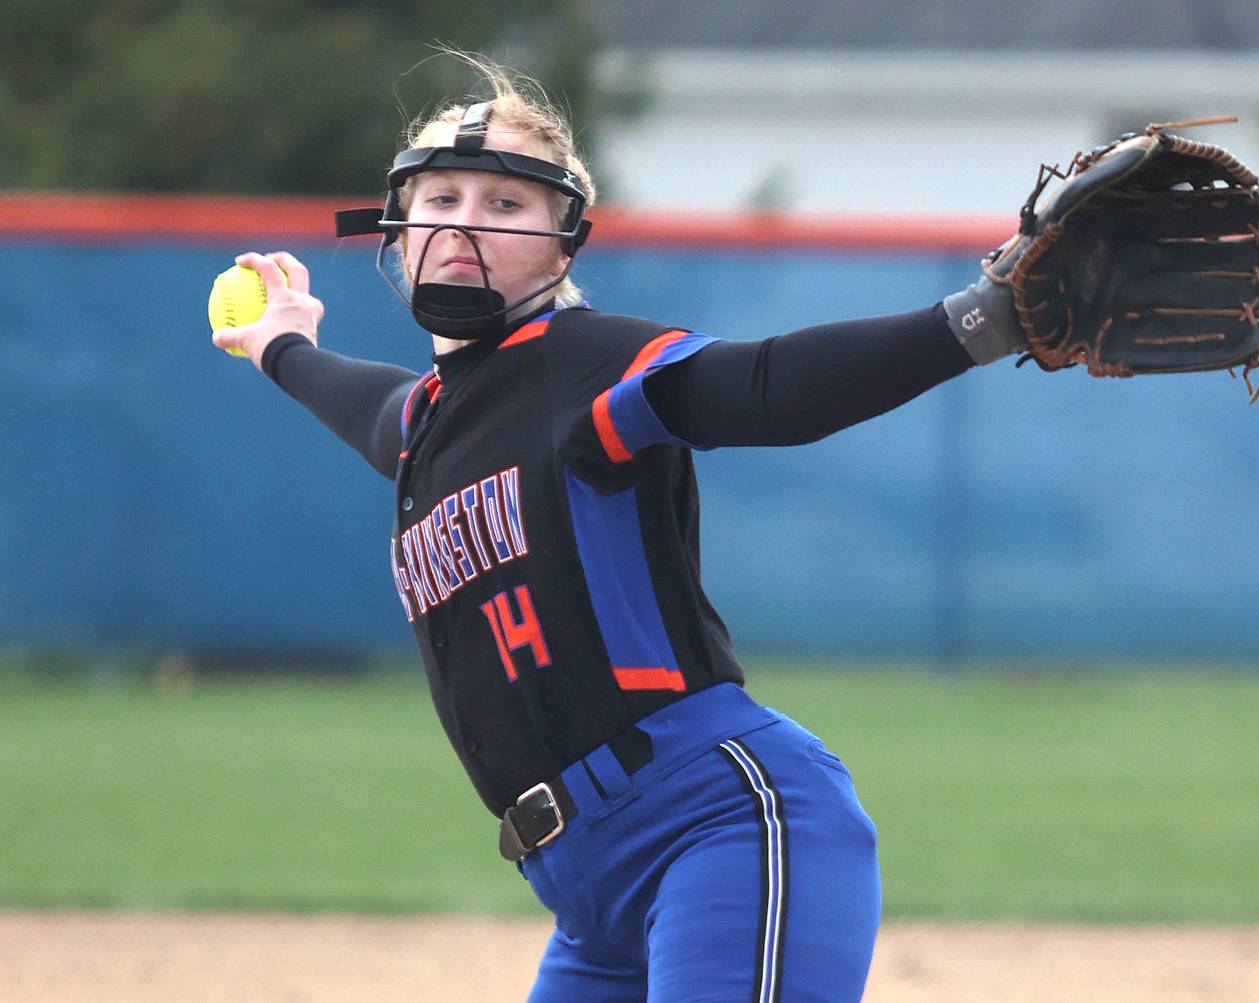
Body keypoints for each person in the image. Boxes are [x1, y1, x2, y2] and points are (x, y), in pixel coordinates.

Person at [213, 54, 1024, 1003]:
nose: (464, 222)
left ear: (564, 248)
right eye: (441, 195)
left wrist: (979, 323)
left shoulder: (584, 364)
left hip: (714, 825)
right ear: (397, 228)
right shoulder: (434, 420)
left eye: (506, 205)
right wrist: (281, 343)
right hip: (586, 893)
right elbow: (374, 411)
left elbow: (765, 388)